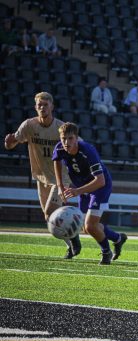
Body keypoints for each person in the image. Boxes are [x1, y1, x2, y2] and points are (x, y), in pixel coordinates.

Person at [4, 92, 81, 259]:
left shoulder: (61, 128)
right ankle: (71, 242)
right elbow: (13, 142)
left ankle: (74, 237)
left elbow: (78, 144)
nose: (42, 107)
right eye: (39, 105)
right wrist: (9, 142)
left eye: (45, 105)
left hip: (62, 176)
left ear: (52, 106)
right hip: (41, 176)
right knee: (49, 217)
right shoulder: (29, 125)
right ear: (35, 107)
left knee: (51, 210)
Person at [53, 122, 127, 265]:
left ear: (76, 138)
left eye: (70, 138)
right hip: (83, 187)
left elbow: (100, 181)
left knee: (90, 225)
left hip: (100, 187)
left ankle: (106, 252)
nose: (66, 142)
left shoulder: (88, 150)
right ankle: (118, 238)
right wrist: (60, 186)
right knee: (87, 227)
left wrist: (76, 191)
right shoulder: (60, 148)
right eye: (63, 138)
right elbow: (56, 161)